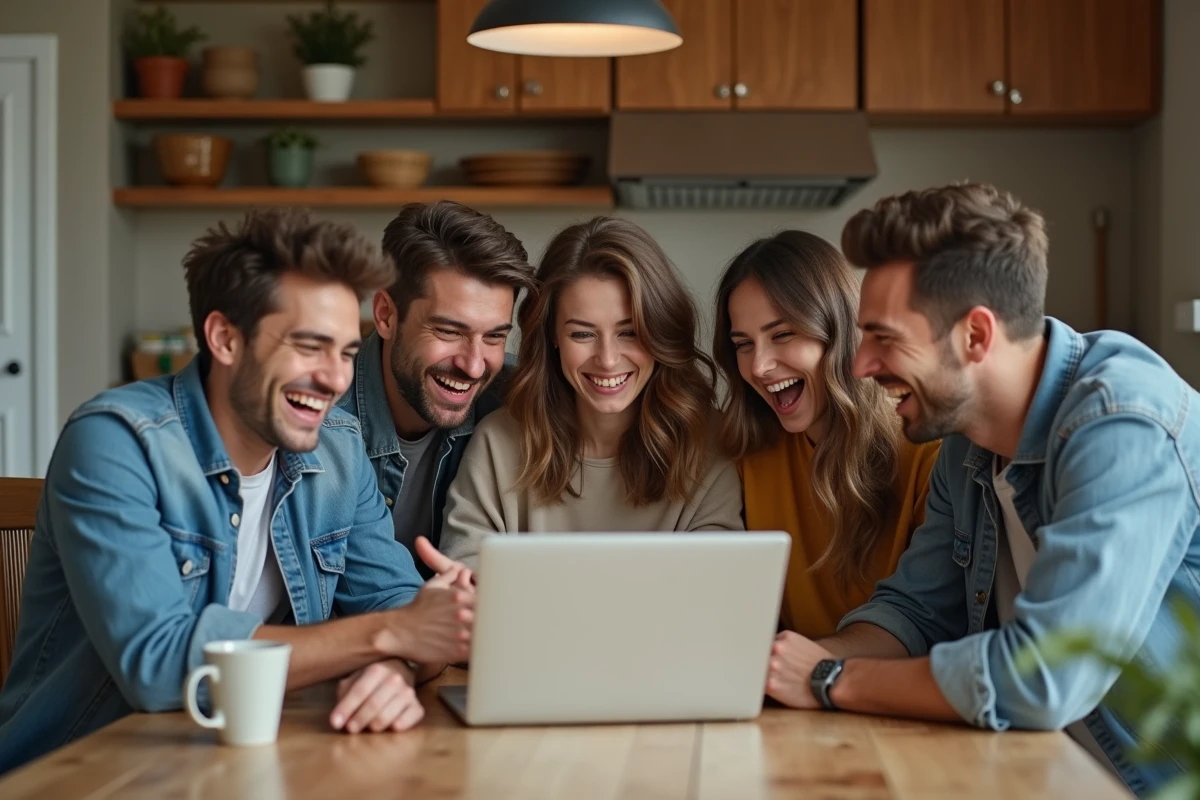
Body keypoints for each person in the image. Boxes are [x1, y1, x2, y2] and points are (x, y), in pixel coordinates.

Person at [0, 209, 474, 774]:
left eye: (347, 352)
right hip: (81, 776)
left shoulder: (339, 452)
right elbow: (159, 663)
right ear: (225, 338)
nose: (335, 379)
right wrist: (394, 635)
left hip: (252, 768)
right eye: (307, 346)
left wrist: (391, 668)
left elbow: (402, 607)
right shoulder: (115, 442)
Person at [767, 183, 1200, 797]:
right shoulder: (966, 443)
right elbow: (915, 612)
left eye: (883, 337)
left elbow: (1044, 677)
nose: (860, 364)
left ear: (975, 335)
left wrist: (832, 678)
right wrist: (789, 665)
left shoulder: (1125, 424)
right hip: (1045, 771)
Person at [439, 217, 744, 567]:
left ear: (660, 333)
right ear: (552, 336)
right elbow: (464, 594)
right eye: (582, 334)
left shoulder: (711, 444)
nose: (608, 360)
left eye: (629, 332)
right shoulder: (498, 443)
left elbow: (715, 596)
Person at [712, 231, 940, 653]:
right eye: (743, 344)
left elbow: (928, 619)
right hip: (788, 696)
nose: (759, 366)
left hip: (889, 697)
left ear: (840, 330)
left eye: (782, 335)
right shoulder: (745, 454)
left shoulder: (927, 448)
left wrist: (815, 663)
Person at [336, 201, 534, 577]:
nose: (474, 365)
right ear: (386, 315)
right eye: (449, 331)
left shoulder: (518, 399)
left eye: (494, 337)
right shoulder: (320, 416)